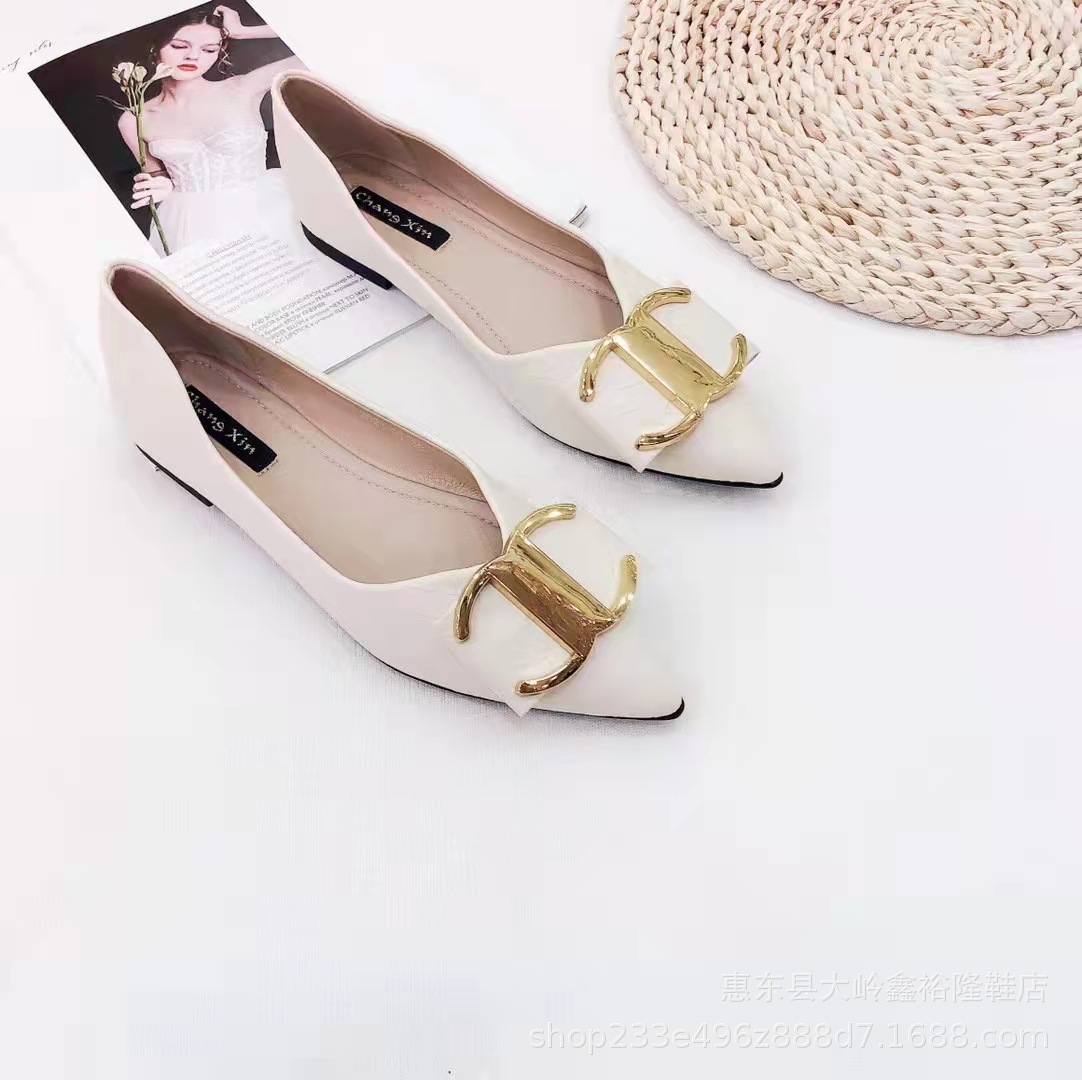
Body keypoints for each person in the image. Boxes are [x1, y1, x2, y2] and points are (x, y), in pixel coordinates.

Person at [118, 5, 304, 254]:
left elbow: (325, 45)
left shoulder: (243, 88)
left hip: (265, 212)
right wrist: (162, 187)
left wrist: (243, 31)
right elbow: (158, 177)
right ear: (155, 50)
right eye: (179, 46)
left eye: (208, 49)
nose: (193, 56)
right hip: (189, 224)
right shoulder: (134, 119)